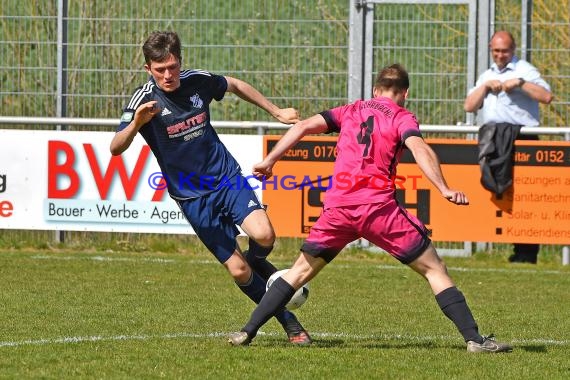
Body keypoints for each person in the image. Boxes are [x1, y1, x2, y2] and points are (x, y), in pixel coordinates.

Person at [228, 63, 513, 353]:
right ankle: (474, 340)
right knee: (434, 269)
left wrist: (270, 160)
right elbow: (419, 148)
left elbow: (302, 126)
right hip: (378, 209)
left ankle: (247, 331)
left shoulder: (351, 110)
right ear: (404, 94)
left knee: (298, 272)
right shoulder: (403, 117)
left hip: (338, 209)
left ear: (375, 90)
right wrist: (443, 188)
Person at [110, 30, 311, 345]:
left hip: (225, 178)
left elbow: (234, 84)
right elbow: (115, 147)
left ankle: (258, 259)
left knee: (264, 236)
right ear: (148, 68)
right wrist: (136, 124)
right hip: (192, 196)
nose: (168, 75)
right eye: (160, 69)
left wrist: (276, 111)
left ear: (180, 61)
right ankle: (290, 324)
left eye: (173, 67)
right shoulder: (143, 100)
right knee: (239, 272)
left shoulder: (196, 81)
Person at [464, 30, 553, 264]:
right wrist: (483, 88)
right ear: (490, 49)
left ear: (513, 50)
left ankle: (527, 252)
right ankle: (511, 246)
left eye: (504, 51)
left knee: (526, 196)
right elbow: (469, 106)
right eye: (496, 51)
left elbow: (546, 96)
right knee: (500, 192)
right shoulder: (486, 74)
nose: (500, 55)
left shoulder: (525, 70)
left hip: (524, 140)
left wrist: (521, 84)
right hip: (495, 140)